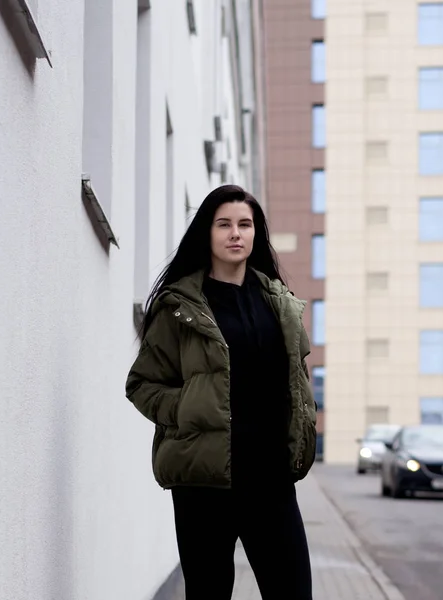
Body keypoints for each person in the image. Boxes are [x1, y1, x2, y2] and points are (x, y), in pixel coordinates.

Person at [126, 184, 316, 600]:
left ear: (255, 234)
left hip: (271, 479)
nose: (235, 233)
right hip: (204, 481)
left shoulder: (279, 304)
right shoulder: (180, 306)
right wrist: (186, 408)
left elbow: (294, 382)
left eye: (245, 224)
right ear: (207, 234)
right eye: (224, 224)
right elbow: (142, 384)